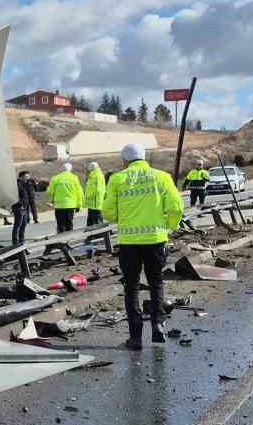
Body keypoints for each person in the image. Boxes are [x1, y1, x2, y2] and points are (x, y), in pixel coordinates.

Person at [103, 142, 184, 350]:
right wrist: (169, 226)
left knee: (131, 288)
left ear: (125, 160)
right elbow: (176, 206)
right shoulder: (162, 177)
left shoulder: (117, 179)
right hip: (156, 240)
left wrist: (125, 216)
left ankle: (135, 337)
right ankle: (157, 324)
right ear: (144, 157)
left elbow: (109, 213)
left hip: (129, 243)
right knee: (156, 283)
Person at [47, 162, 83, 233]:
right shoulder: (74, 178)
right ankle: (69, 239)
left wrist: (51, 201)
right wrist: (79, 205)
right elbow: (79, 192)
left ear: (61, 169)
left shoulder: (55, 178)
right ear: (70, 169)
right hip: (71, 205)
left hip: (59, 205)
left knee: (60, 224)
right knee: (69, 223)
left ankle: (61, 240)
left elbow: (51, 191)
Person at [13, 169, 38, 246]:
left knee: (23, 225)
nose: (28, 178)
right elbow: (15, 196)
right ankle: (15, 243)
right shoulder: (17, 184)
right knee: (18, 225)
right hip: (19, 208)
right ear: (21, 177)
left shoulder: (25, 183)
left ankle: (21, 243)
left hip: (25, 208)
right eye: (26, 176)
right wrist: (20, 205)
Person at [84, 161, 107, 226]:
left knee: (97, 219)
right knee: (92, 220)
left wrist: (89, 195)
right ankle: (91, 235)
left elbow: (98, 189)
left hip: (95, 201)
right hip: (93, 202)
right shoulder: (93, 175)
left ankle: (99, 234)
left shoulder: (97, 175)